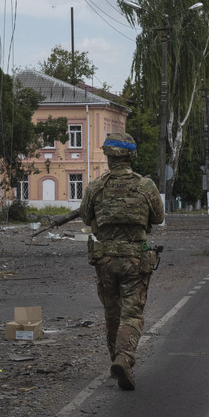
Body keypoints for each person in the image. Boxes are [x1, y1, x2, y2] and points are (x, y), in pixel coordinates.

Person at [56, 132, 165, 390]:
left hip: (104, 259)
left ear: (107, 156)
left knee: (112, 313)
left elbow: (85, 217)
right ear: (131, 155)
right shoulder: (145, 185)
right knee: (132, 313)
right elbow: (158, 218)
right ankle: (124, 358)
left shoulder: (95, 186)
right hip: (135, 259)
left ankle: (115, 360)